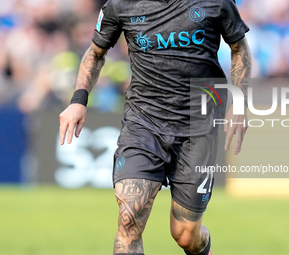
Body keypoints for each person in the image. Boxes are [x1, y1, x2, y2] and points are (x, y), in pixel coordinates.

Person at [59, 0, 251, 254]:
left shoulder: (215, 2)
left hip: (198, 126)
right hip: (144, 123)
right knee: (129, 219)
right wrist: (78, 100)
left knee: (186, 236)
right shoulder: (121, 5)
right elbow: (96, 52)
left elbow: (239, 48)